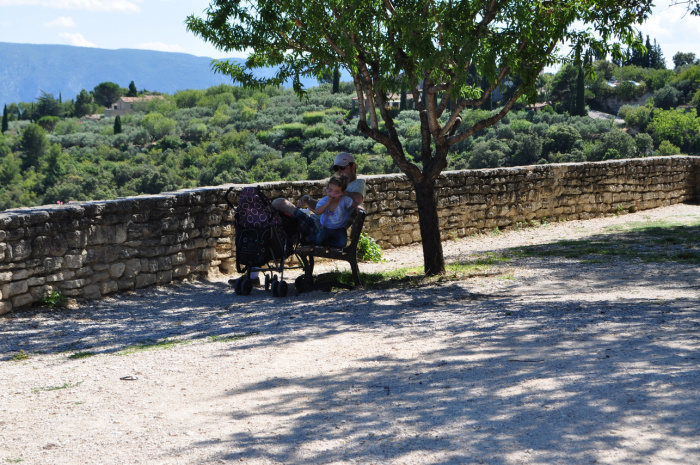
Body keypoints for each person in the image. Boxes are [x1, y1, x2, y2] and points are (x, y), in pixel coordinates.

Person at [241, 152, 366, 286]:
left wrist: (338, 188)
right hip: (314, 224)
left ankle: (253, 272)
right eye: (337, 169)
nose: (339, 172)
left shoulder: (358, 183)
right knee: (272, 227)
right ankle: (253, 273)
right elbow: (324, 208)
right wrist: (309, 200)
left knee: (280, 203)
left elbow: (357, 199)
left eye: (343, 168)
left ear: (353, 167)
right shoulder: (339, 192)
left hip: (318, 229)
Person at [305, 175, 356, 248]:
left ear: (342, 193)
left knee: (342, 244)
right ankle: (309, 239)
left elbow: (354, 204)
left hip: (340, 228)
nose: (332, 194)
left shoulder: (344, 200)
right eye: (330, 191)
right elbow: (317, 212)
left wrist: (358, 208)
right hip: (326, 228)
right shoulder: (324, 201)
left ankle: (327, 243)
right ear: (327, 189)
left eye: (336, 192)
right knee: (318, 240)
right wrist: (326, 204)